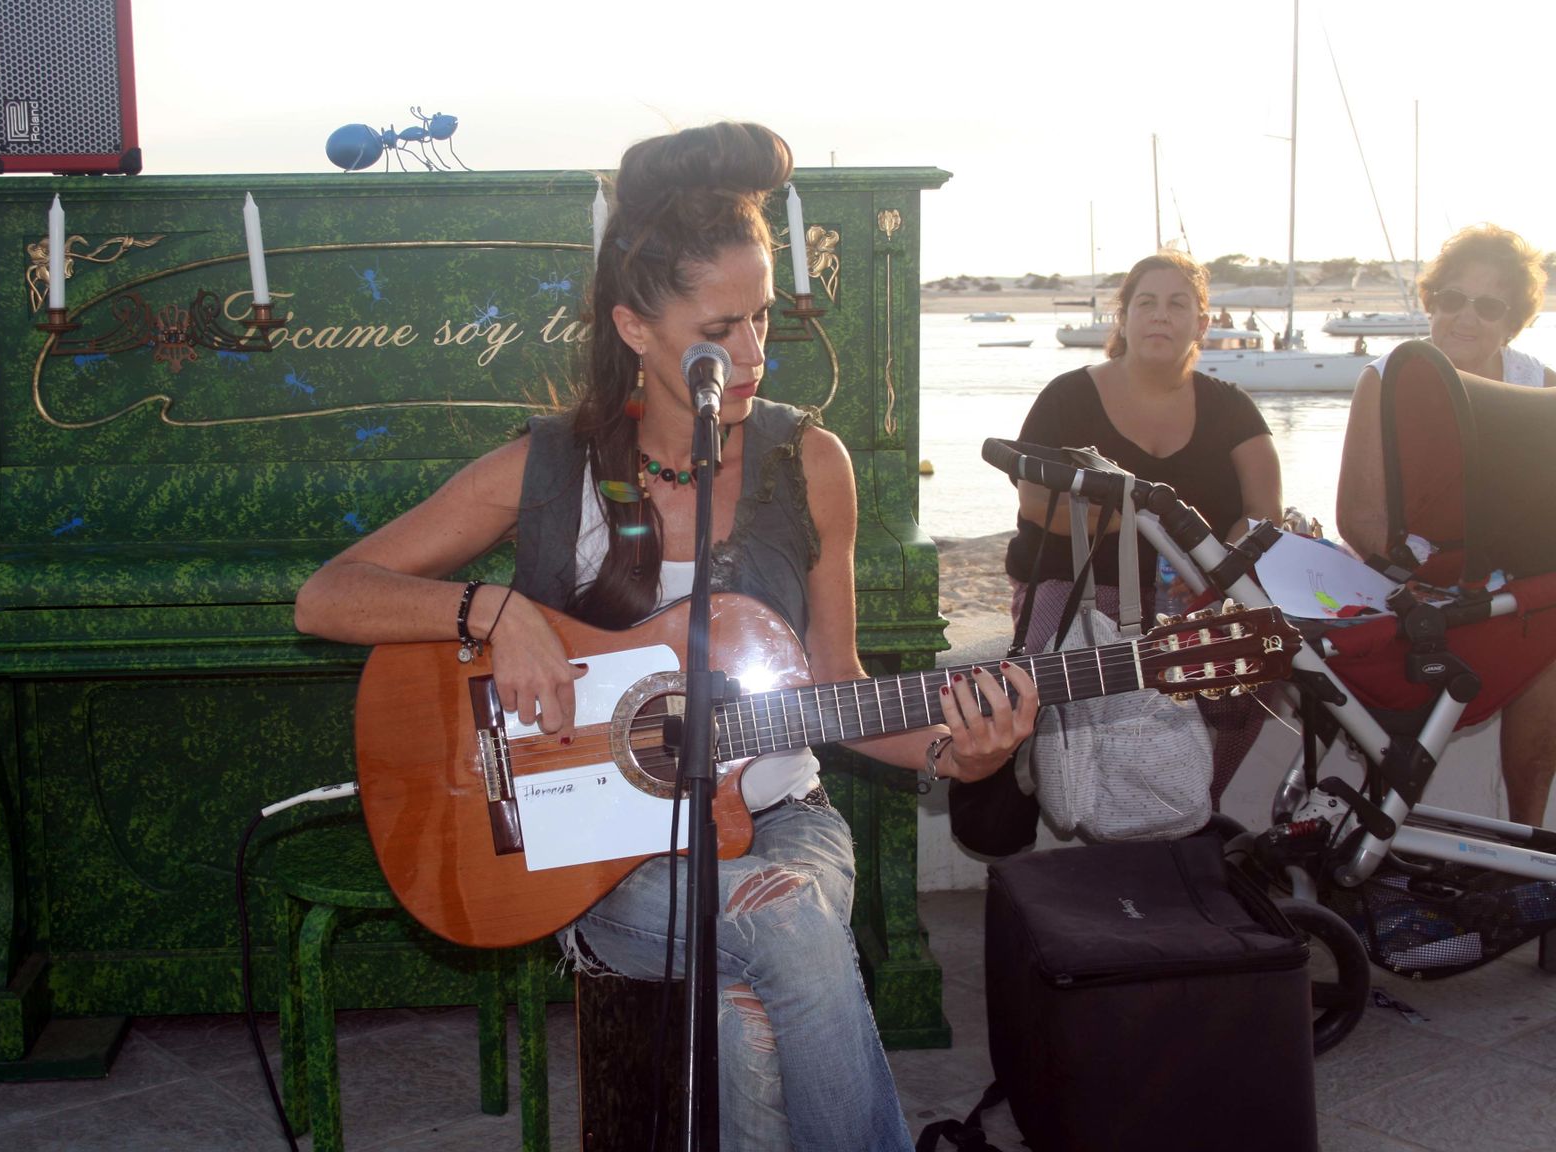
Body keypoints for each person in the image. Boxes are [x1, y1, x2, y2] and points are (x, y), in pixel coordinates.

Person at [295, 121, 1038, 1152]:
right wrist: (492, 610)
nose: (751, 353)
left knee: (757, 992)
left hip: (784, 829)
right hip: (598, 853)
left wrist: (964, 752)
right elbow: (328, 595)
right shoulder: (549, 466)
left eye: (764, 318)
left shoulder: (808, 463)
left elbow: (838, 687)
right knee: (781, 942)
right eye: (719, 327)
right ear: (635, 329)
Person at [1003, 249, 1283, 803]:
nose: (1161, 315)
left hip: (1191, 594)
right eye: (1146, 303)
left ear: (1202, 323)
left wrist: (1215, 575)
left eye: (1178, 304)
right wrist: (1131, 524)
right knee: (1051, 673)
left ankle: (1195, 808)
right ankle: (1039, 789)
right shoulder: (1067, 397)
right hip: (1080, 585)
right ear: (1123, 318)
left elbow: (1263, 512)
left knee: (1254, 674)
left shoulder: (1233, 409)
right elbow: (1037, 504)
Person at [1337, 223, 1555, 826]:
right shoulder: (1385, 381)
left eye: (1488, 306)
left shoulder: (1540, 388)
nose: (1466, 318)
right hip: (1413, 582)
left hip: (1509, 585)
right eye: (1452, 298)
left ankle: (1527, 835)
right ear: (1431, 303)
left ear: (1512, 322)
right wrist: (1415, 577)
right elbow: (1359, 517)